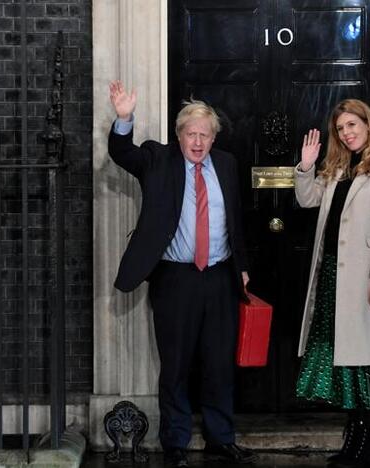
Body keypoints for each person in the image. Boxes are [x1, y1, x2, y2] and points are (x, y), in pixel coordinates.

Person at [107, 81, 257, 467]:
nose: (197, 141)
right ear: (179, 135)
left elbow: (234, 222)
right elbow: (121, 153)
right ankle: (174, 442)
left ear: (213, 138)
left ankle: (220, 438)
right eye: (191, 133)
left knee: (219, 362)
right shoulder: (158, 160)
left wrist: (241, 268)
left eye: (204, 134)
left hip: (221, 278)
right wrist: (124, 118)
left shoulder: (226, 164)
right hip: (175, 279)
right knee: (175, 363)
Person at [294, 99, 370, 467]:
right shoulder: (339, 168)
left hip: (363, 281)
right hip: (332, 277)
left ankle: (369, 446)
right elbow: (306, 199)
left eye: (352, 125)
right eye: (341, 129)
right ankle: (356, 443)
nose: (347, 133)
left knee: (365, 364)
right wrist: (306, 166)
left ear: (367, 124)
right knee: (345, 364)